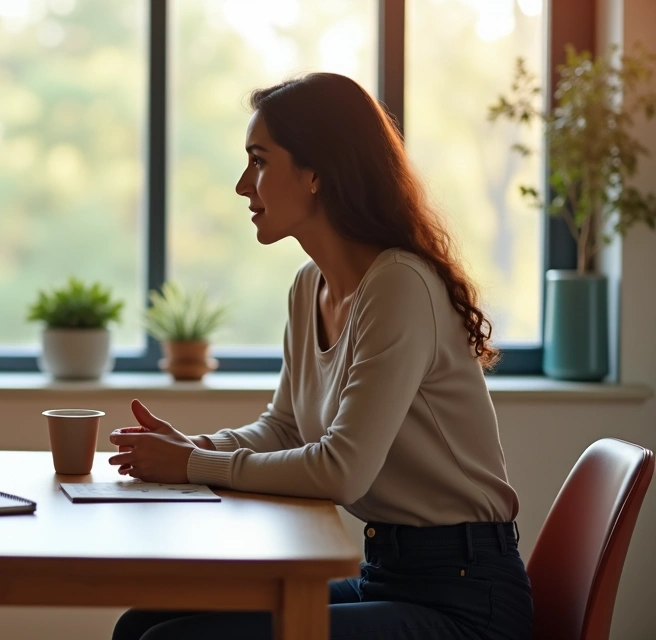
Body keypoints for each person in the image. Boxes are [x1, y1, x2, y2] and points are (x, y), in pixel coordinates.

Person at [107, 73, 533, 640]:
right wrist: (194, 448)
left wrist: (189, 467)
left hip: (466, 600)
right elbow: (284, 427)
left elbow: (342, 470)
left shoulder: (399, 285)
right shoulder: (310, 286)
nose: (242, 186)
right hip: (388, 576)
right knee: (144, 624)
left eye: (259, 161)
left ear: (315, 174)